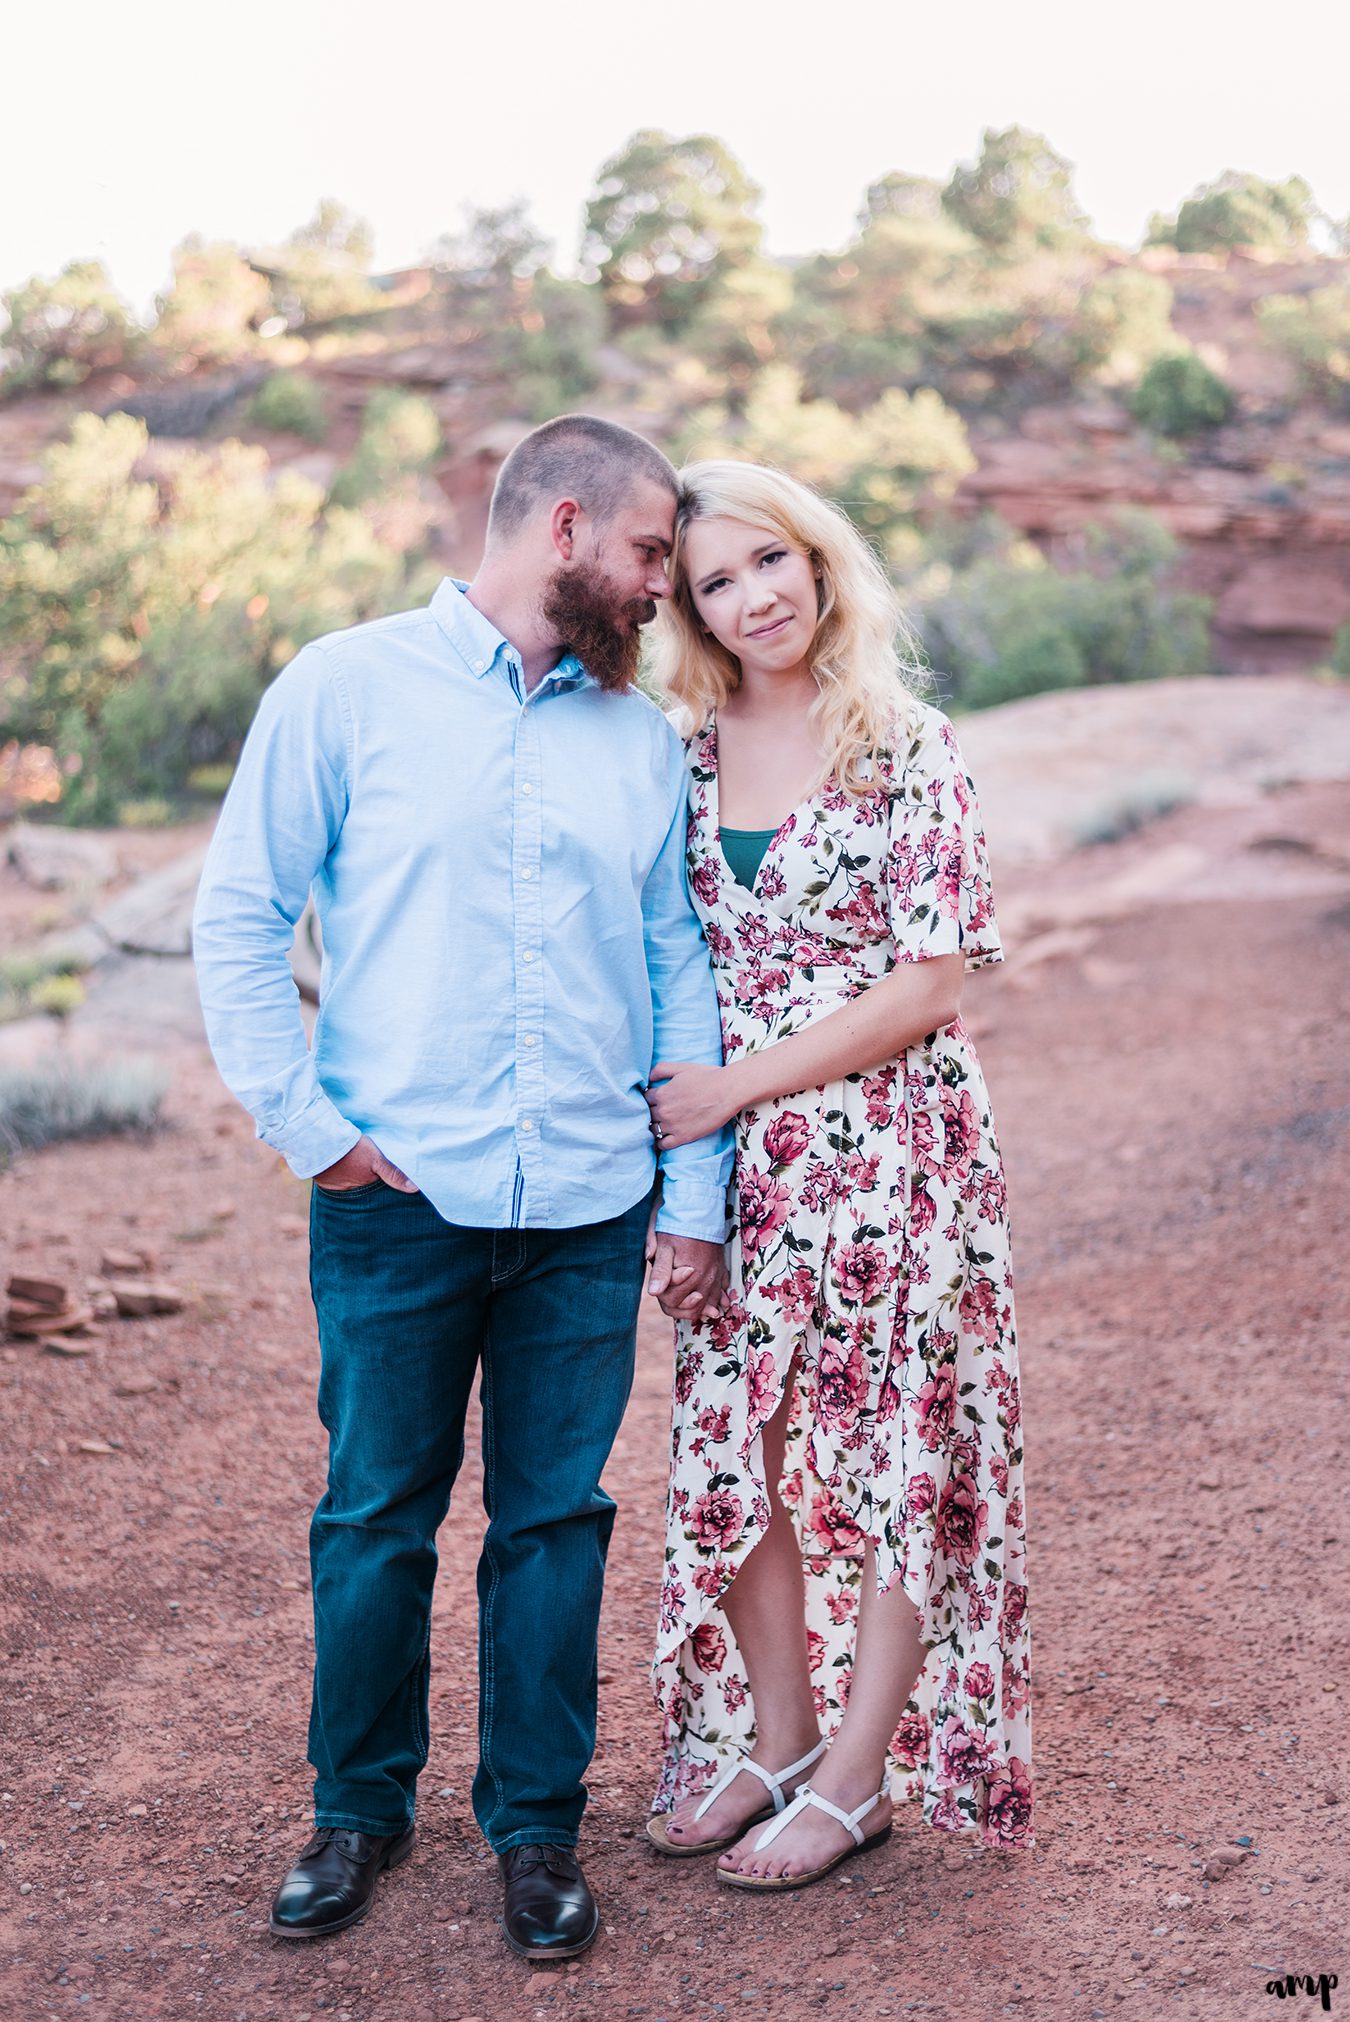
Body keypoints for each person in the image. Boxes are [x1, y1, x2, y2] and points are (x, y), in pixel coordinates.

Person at [191, 415, 733, 1959]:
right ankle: (354, 1810)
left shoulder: (637, 738)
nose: (656, 593)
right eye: (643, 557)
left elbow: (671, 963)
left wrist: (686, 1194)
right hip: (392, 1197)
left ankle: (537, 1833)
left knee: (554, 1519)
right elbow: (239, 915)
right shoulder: (344, 686)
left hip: (585, 1201)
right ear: (563, 528)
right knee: (374, 1515)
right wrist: (314, 1131)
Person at [641, 460, 1032, 1890]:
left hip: (897, 1148)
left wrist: (733, 1085)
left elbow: (928, 983)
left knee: (894, 1457)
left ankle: (860, 1778)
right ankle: (777, 1740)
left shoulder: (901, 739)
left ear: (818, 557)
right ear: (687, 609)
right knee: (732, 1439)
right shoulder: (678, 752)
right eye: (715, 582)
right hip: (741, 1168)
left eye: (769, 561)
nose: (753, 599)